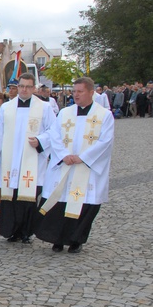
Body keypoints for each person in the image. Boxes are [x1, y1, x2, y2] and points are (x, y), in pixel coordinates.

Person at [34, 77, 114, 253]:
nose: (75, 95)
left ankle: (75, 240)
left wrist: (83, 157)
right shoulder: (65, 113)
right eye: (74, 91)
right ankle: (57, 239)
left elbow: (105, 142)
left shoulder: (104, 115)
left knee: (84, 205)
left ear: (91, 92)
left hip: (87, 168)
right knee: (59, 202)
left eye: (80, 91)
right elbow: (54, 135)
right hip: (65, 165)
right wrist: (63, 155)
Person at [0, 73, 55, 243]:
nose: (24, 90)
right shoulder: (7, 108)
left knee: (28, 197)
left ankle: (26, 232)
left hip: (32, 160)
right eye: (21, 86)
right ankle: (11, 231)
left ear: (34, 88)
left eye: (28, 87)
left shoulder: (44, 108)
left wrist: (40, 140)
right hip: (10, 160)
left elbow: (54, 131)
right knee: (11, 197)